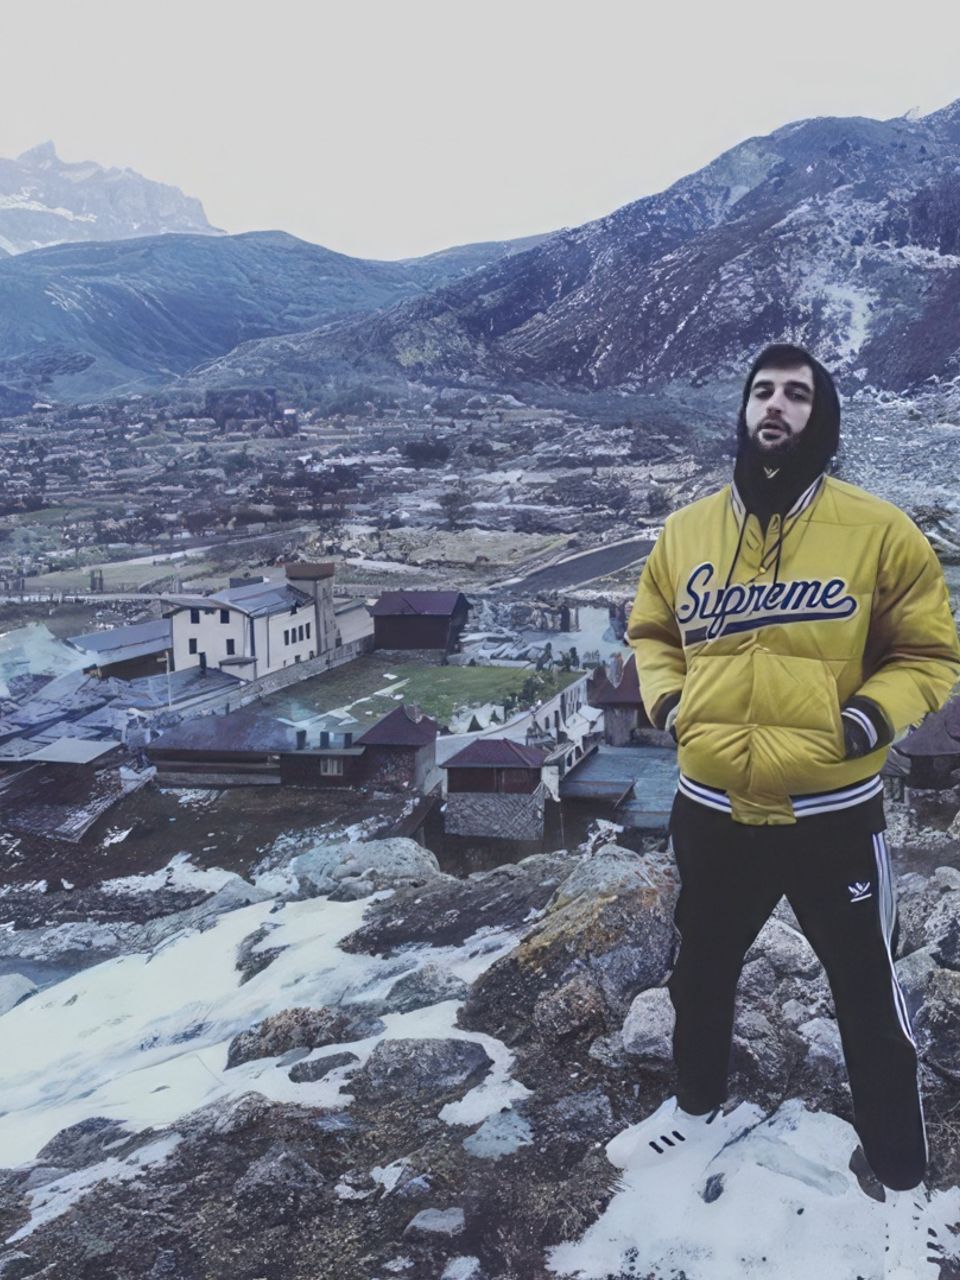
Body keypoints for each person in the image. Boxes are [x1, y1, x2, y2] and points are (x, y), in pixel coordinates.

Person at [622, 342, 960, 1274]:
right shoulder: (687, 532)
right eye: (762, 390)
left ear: (823, 415)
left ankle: (904, 1188)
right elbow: (651, 629)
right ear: (743, 411)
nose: (776, 404)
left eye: (797, 394)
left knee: (868, 1000)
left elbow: (930, 653)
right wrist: (670, 703)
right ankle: (695, 1111)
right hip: (712, 807)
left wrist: (867, 718)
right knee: (700, 973)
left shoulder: (879, 530)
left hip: (833, 815)